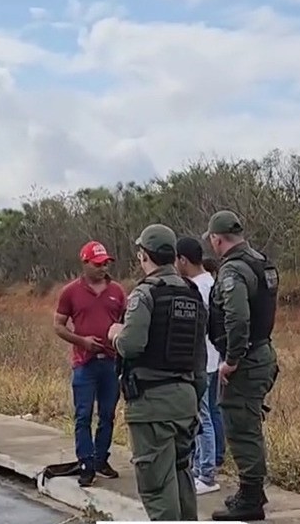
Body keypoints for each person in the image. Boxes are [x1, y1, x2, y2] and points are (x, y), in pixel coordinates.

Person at [110, 224, 207, 522]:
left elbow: (131, 344)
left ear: (143, 256)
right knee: (180, 476)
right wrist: (193, 397)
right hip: (186, 401)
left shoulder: (145, 294)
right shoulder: (192, 294)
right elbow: (200, 360)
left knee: (155, 486)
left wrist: (115, 333)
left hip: (152, 406)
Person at [202, 210, 280, 521]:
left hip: (246, 361)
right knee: (247, 423)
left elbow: (237, 317)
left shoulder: (233, 271)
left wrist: (231, 360)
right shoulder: (261, 261)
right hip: (262, 352)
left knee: (241, 426)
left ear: (216, 239)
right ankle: (252, 490)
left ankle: (250, 498)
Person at [53, 240, 127, 487]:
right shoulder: (70, 292)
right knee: (83, 415)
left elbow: (126, 322)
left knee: (107, 415)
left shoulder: (117, 291)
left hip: (111, 362)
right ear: (84, 263)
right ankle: (85, 462)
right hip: (84, 362)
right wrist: (82, 341)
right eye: (97, 264)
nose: (102, 268)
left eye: (105, 263)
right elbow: (59, 326)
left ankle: (100, 458)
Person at [175, 235, 224, 494]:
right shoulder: (210, 283)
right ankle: (200, 468)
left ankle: (206, 474)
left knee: (201, 417)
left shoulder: (198, 288)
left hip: (202, 362)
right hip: (213, 359)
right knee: (206, 415)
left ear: (183, 259)